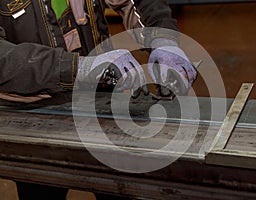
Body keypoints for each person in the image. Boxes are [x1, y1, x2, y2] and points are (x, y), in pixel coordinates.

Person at [0, 0, 197, 199]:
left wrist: (163, 39)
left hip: (101, 105)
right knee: (41, 190)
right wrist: (78, 68)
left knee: (118, 186)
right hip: (34, 118)